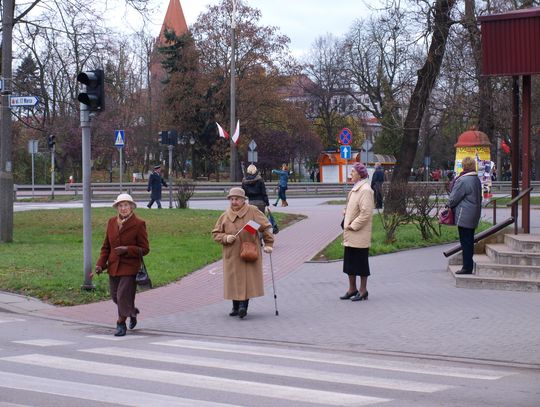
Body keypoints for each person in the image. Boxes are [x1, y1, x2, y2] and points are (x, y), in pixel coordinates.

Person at [212, 187, 274, 319]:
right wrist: (225, 238)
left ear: (243, 200)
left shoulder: (252, 211)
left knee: (247, 281)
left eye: (236, 199)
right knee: (234, 280)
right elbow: (216, 233)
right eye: (231, 199)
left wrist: (269, 244)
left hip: (248, 252)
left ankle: (243, 307)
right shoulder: (225, 215)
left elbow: (266, 227)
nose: (234, 202)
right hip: (232, 254)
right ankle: (235, 306)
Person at [92, 193, 150, 336]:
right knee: (115, 297)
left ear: (131, 207)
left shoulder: (139, 224)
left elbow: (145, 249)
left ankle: (120, 323)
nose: (123, 208)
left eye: (126, 205)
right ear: (117, 207)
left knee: (123, 295)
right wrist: (100, 264)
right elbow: (106, 246)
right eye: (120, 205)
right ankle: (132, 311)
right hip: (113, 266)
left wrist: (127, 249)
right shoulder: (111, 222)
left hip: (130, 267)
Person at [339, 163, 374, 302]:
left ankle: (363, 290)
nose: (350, 174)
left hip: (358, 232)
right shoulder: (356, 189)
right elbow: (354, 208)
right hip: (350, 233)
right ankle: (352, 289)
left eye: (352, 172)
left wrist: (353, 226)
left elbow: (366, 213)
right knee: (350, 263)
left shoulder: (365, 189)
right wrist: (346, 212)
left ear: (360, 174)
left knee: (361, 264)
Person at [447, 157, 482, 275]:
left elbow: (453, 198)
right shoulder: (476, 179)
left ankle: (466, 267)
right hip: (474, 213)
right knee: (469, 241)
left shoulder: (463, 180)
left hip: (464, 214)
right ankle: (468, 265)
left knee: (465, 242)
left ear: (464, 166)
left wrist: (448, 205)